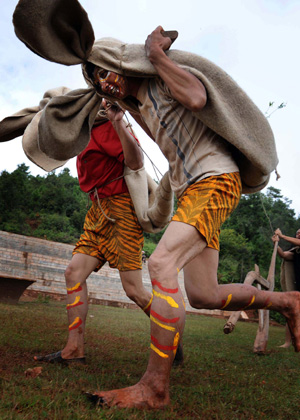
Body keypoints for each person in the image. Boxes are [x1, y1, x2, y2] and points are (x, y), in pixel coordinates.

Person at [79, 27, 300, 409]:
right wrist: (119, 116)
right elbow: (152, 146)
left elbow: (198, 97)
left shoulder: (162, 78)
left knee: (161, 264)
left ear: (119, 61)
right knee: (203, 294)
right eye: (96, 79)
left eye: (103, 70)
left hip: (214, 179)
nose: (103, 82)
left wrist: (156, 55)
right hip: (192, 193)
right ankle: (286, 301)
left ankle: (154, 389)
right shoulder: (142, 102)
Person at [34, 101, 182, 364]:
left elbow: (135, 162)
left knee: (134, 289)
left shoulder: (107, 126)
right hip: (97, 212)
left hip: (122, 211)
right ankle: (73, 350)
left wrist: (117, 122)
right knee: (73, 273)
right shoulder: (83, 136)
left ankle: (172, 337)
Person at [272, 228, 300, 348]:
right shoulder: (295, 251)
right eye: (297, 232)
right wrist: (276, 243)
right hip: (297, 287)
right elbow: (283, 255)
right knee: (291, 314)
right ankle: (287, 343)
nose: (298, 233)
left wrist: (282, 236)